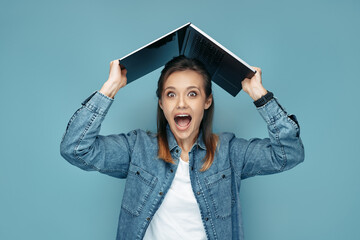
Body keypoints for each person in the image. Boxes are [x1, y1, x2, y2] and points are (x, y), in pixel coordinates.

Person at [60, 55, 304, 240]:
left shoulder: (230, 152)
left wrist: (260, 95)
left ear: (207, 101)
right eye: (171, 94)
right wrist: (110, 88)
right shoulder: (138, 148)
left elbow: (288, 154)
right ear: (162, 103)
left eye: (193, 94)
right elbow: (75, 148)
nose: (181, 104)